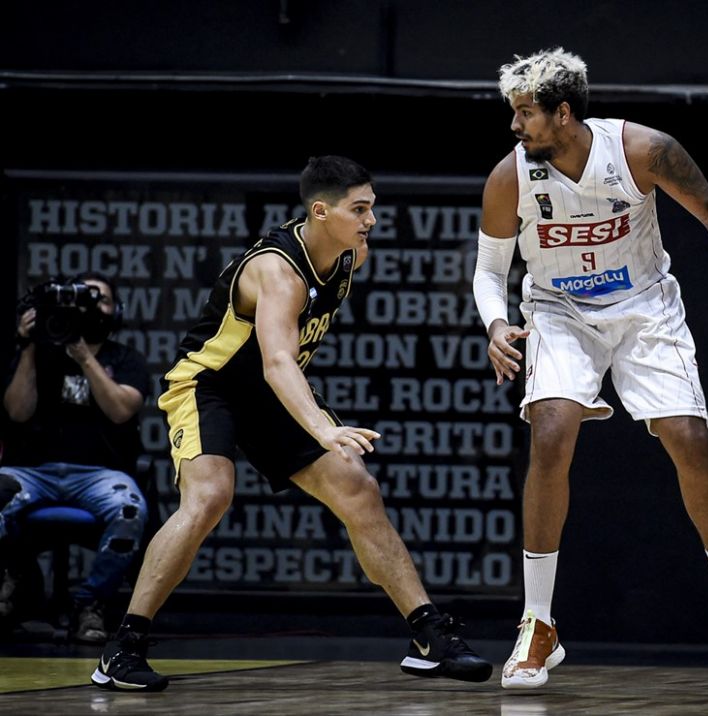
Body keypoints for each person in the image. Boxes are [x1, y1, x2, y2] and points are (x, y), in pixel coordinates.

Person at [91, 155, 492, 692]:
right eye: (360, 209)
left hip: (270, 393)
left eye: (372, 207)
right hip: (211, 385)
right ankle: (122, 647)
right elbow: (278, 361)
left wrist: (318, 428)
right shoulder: (277, 272)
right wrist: (323, 429)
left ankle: (428, 636)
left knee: (359, 489)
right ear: (320, 211)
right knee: (209, 496)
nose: (371, 220)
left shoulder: (351, 253)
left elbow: (282, 369)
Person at [473, 47, 708, 689]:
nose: (515, 125)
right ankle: (538, 622)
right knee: (550, 434)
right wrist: (497, 324)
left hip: (645, 307)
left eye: (526, 113)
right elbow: (489, 270)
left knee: (690, 440)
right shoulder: (511, 176)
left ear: (563, 113)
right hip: (558, 311)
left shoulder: (644, 151)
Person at [0, 274, 150, 643]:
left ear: (116, 312)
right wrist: (29, 346)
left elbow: (120, 411)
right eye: (82, 299)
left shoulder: (126, 359)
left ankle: (90, 603)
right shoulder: (38, 353)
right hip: (32, 471)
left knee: (130, 510)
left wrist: (83, 355)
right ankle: (20, 581)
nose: (90, 307)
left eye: (101, 299)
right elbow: (17, 411)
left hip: (100, 474)